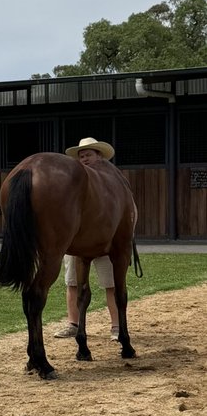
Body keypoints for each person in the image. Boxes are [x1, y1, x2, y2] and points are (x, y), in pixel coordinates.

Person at [53, 136, 122, 341]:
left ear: (99, 156)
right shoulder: (73, 184)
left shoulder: (111, 182)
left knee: (110, 283)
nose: (84, 159)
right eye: (81, 156)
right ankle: (73, 324)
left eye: (88, 155)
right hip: (76, 240)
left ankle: (116, 326)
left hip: (105, 240)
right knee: (72, 282)